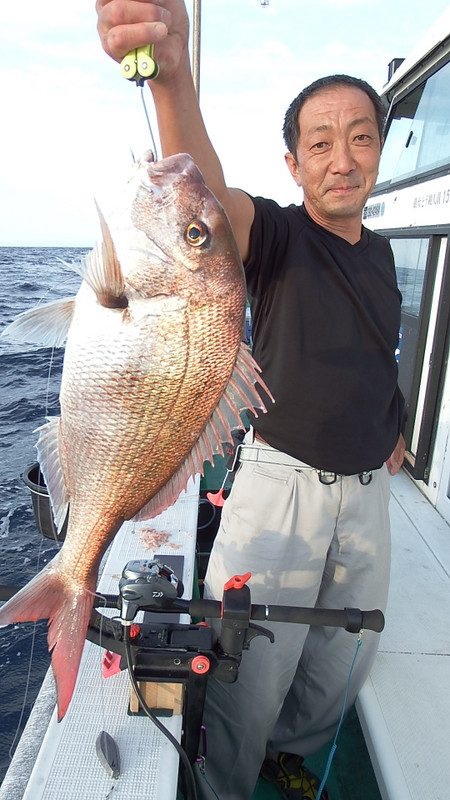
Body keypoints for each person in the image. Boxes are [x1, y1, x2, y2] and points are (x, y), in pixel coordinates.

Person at [96, 3, 406, 798]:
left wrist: (394, 431)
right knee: (252, 668)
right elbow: (205, 199)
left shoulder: (382, 255)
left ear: (380, 148)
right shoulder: (272, 233)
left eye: (361, 136)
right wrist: (172, 78)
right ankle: (226, 782)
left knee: (341, 656)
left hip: (370, 492)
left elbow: (377, 353)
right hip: (282, 490)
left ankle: (289, 761)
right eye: (321, 142)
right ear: (295, 164)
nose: (344, 158)